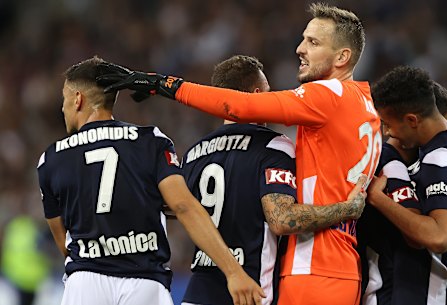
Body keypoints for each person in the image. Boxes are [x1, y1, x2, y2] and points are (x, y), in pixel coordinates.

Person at [97, 3, 381, 305]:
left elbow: (241, 107)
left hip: (312, 267)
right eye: (303, 39)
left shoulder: (328, 95)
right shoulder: (367, 109)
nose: (299, 49)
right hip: (345, 265)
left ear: (342, 57)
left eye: (313, 42)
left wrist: (162, 84)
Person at [36, 56, 266, 305]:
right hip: (144, 282)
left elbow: (63, 243)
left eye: (65, 99)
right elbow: (183, 206)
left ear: (78, 99)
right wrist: (233, 272)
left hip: (85, 282)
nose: (63, 108)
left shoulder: (51, 159)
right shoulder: (150, 141)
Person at [180, 55, 366, 305]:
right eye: (268, 94)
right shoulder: (273, 146)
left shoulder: (193, 153)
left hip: (197, 292)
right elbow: (281, 219)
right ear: (256, 95)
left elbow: (178, 210)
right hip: (249, 291)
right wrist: (346, 209)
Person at [357, 80, 447, 305]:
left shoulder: (439, 158)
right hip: (442, 287)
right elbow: (435, 235)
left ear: (412, 120)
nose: (386, 132)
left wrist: (378, 199)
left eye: (387, 124)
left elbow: (436, 237)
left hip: (433, 291)